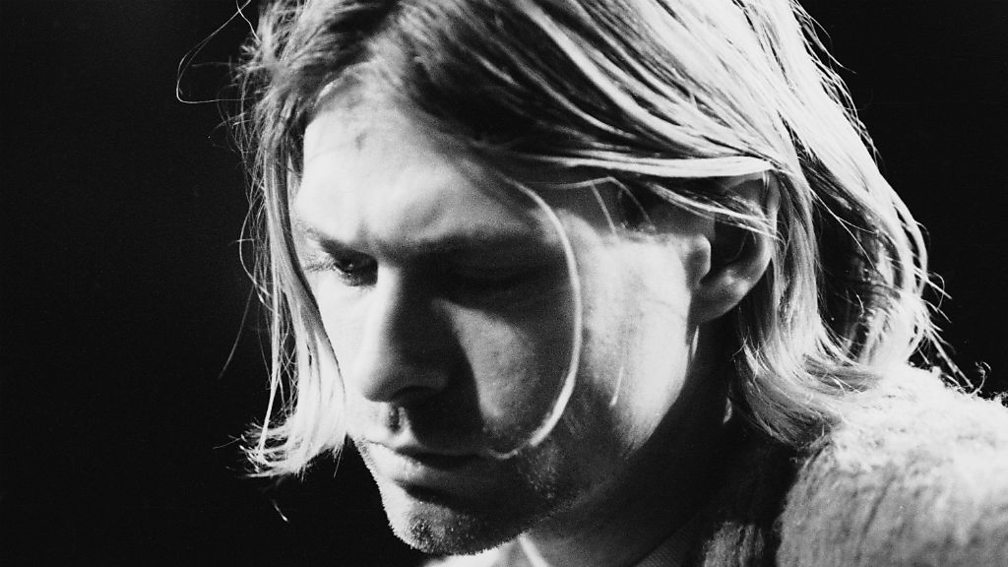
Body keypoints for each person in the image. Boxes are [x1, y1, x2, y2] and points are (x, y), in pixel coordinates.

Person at [231, 0, 1008, 565]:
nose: (380, 368)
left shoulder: (950, 527)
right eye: (349, 265)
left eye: (481, 274)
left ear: (729, 244)